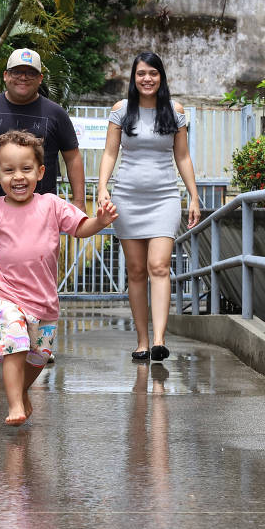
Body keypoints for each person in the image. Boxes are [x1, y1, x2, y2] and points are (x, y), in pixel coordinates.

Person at [0, 130, 117, 425]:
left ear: (40, 172)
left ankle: (22, 392)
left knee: (39, 355)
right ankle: (15, 405)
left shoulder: (51, 205)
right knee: (15, 341)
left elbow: (79, 228)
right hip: (6, 295)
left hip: (44, 301)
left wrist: (100, 221)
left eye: (26, 169)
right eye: (9, 170)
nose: (19, 177)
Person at [0, 47, 86, 360]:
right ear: (6, 75)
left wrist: (79, 200)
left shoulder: (55, 113)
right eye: (16, 72)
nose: (22, 78)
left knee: (38, 273)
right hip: (0, 207)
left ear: (40, 78)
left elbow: (73, 156)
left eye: (30, 73)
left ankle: (37, 337)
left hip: (42, 213)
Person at [97, 52, 200, 362]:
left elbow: (182, 157)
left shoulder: (175, 111)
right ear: (134, 77)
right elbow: (110, 154)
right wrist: (103, 187)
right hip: (127, 197)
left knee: (159, 266)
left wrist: (193, 197)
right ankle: (142, 340)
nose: (147, 79)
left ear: (161, 77)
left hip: (164, 198)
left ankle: (159, 340)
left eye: (153, 73)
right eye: (141, 73)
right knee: (137, 271)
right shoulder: (121, 111)